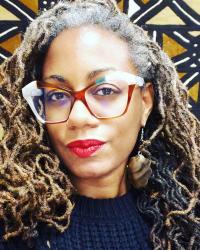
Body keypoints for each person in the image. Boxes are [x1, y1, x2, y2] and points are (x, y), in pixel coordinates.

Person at [0, 0, 199, 249]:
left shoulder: (183, 227)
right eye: (57, 95)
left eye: (105, 90)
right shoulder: (14, 230)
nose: (79, 117)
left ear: (145, 102)